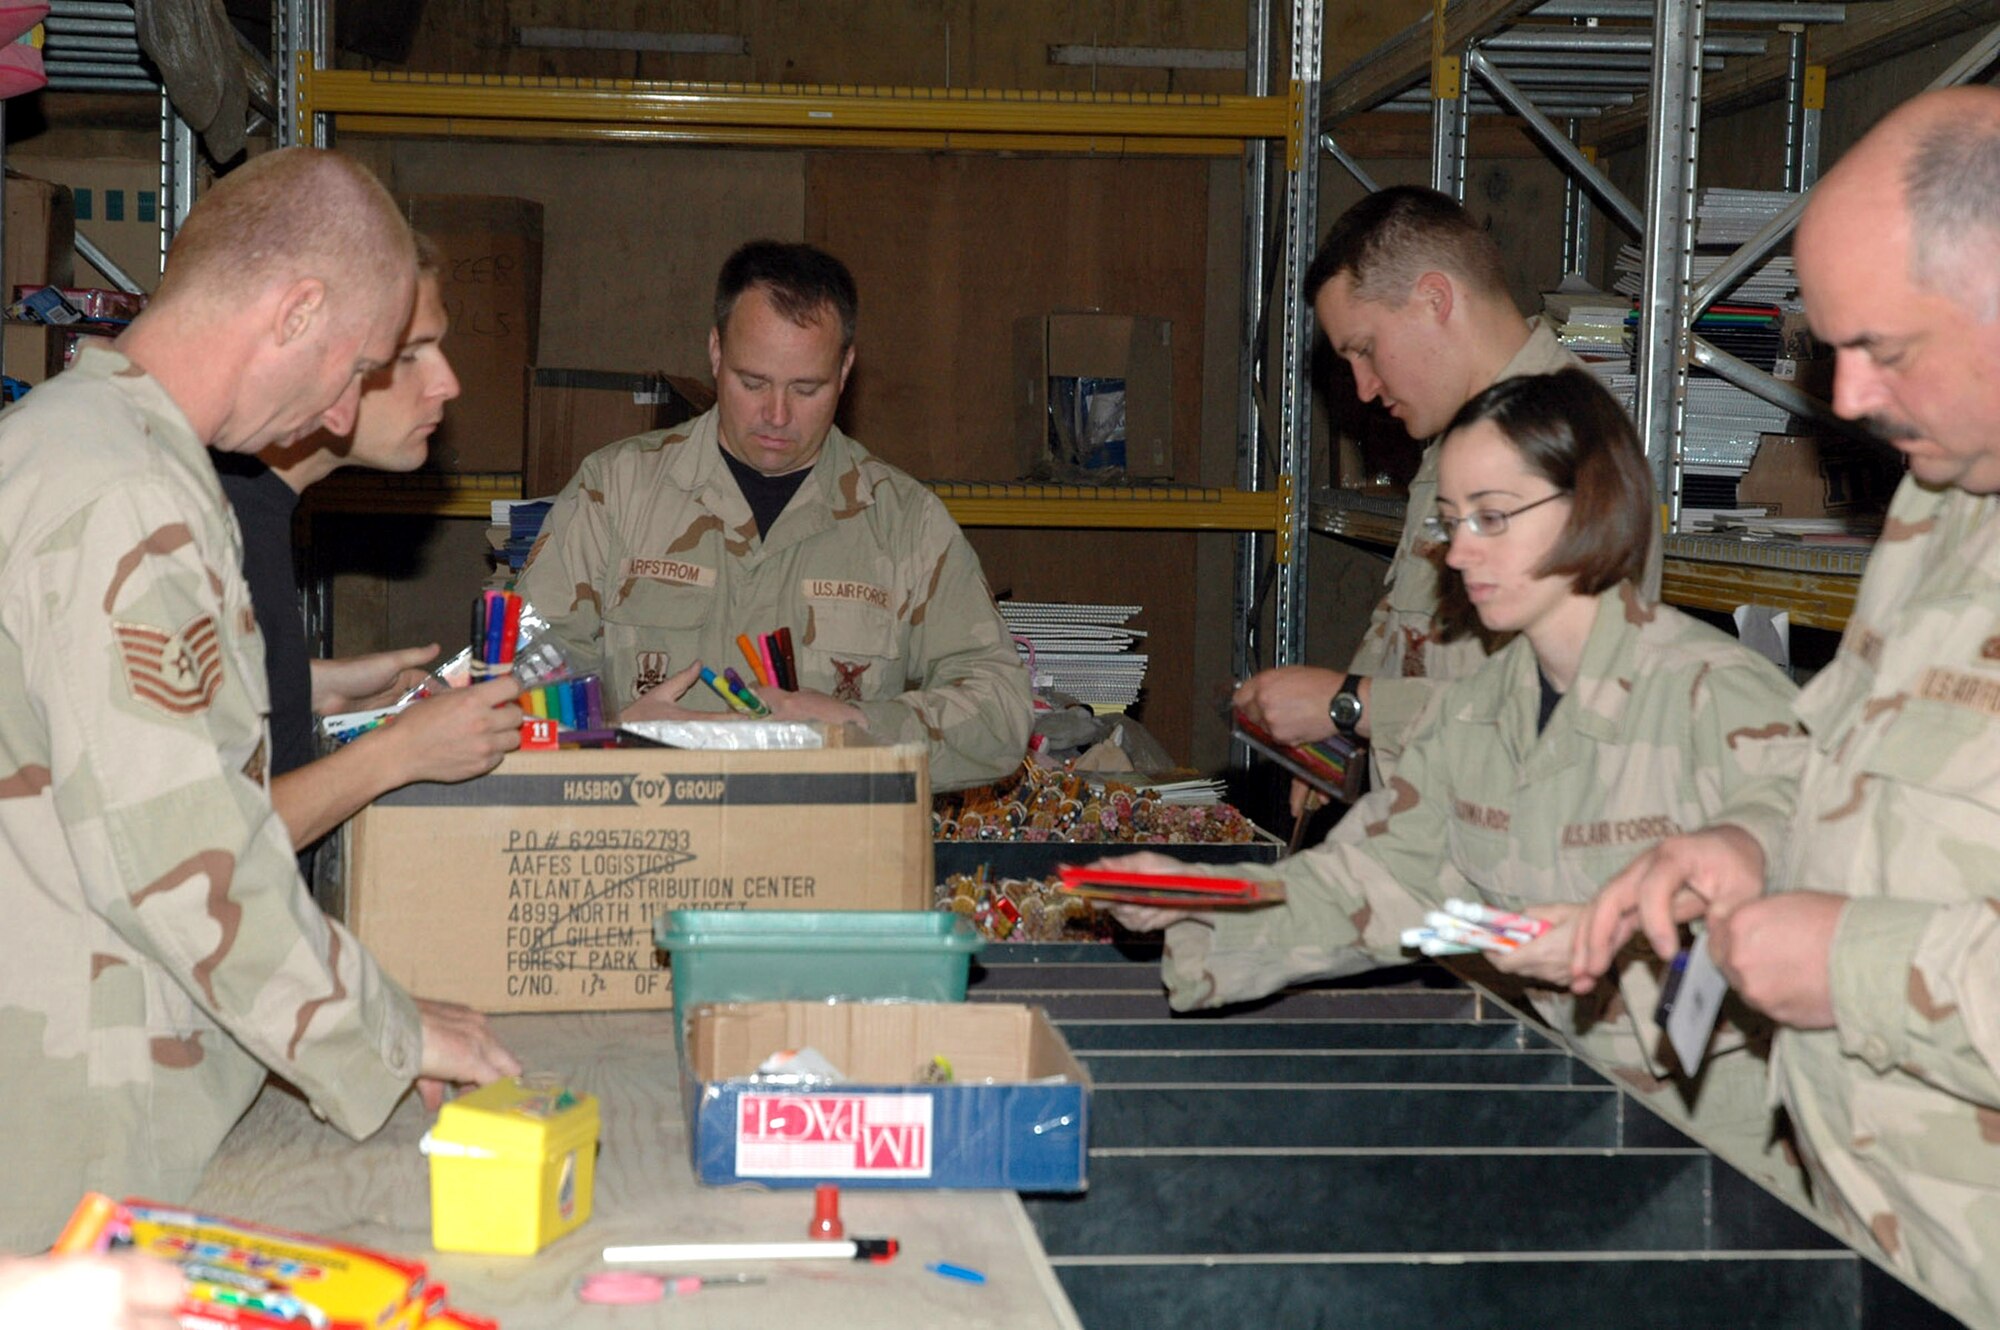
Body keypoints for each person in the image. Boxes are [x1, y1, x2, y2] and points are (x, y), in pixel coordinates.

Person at [1107, 369, 1805, 1197]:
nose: (1460, 549)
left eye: (1492, 517)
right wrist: (1202, 895)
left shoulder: (1713, 694)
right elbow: (1374, 886)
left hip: (1736, 1163)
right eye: (1449, 521)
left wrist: (1660, 912)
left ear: (1589, 504)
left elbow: (1811, 859)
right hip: (1576, 1140)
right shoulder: (1472, 713)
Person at [0, 146, 520, 1254]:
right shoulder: (127, 496)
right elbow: (188, 857)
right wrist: (385, 1028)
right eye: (361, 363)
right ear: (294, 311)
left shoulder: (79, 441)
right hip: (68, 1149)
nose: (342, 411)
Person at [1570, 86, 2000, 1326]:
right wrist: (1754, 842)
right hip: (1888, 1246)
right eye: (1830, 349)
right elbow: (1864, 764)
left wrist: (1843, 963)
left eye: (1884, 348)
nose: (1847, 400)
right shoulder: (1947, 488)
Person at [516, 239, 1032, 791]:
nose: (777, 415)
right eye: (752, 382)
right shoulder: (615, 493)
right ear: (715, 352)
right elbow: (515, 671)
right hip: (650, 847)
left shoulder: (903, 522)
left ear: (846, 368)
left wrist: (858, 726)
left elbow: (1000, 711)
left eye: (806, 388)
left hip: (826, 858)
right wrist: (608, 736)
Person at [1232, 187, 1660, 788]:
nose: (1362, 387)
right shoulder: (1460, 441)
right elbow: (1411, 625)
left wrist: (1350, 703)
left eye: (1366, 349)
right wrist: (1337, 740)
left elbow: (1569, 706)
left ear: (1434, 299)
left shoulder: (1571, 448)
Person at [215, 232, 521, 858]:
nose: (449, 383)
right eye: (411, 355)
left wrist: (302, 691)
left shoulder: (257, 506)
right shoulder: (211, 524)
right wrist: (400, 752)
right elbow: (205, 846)